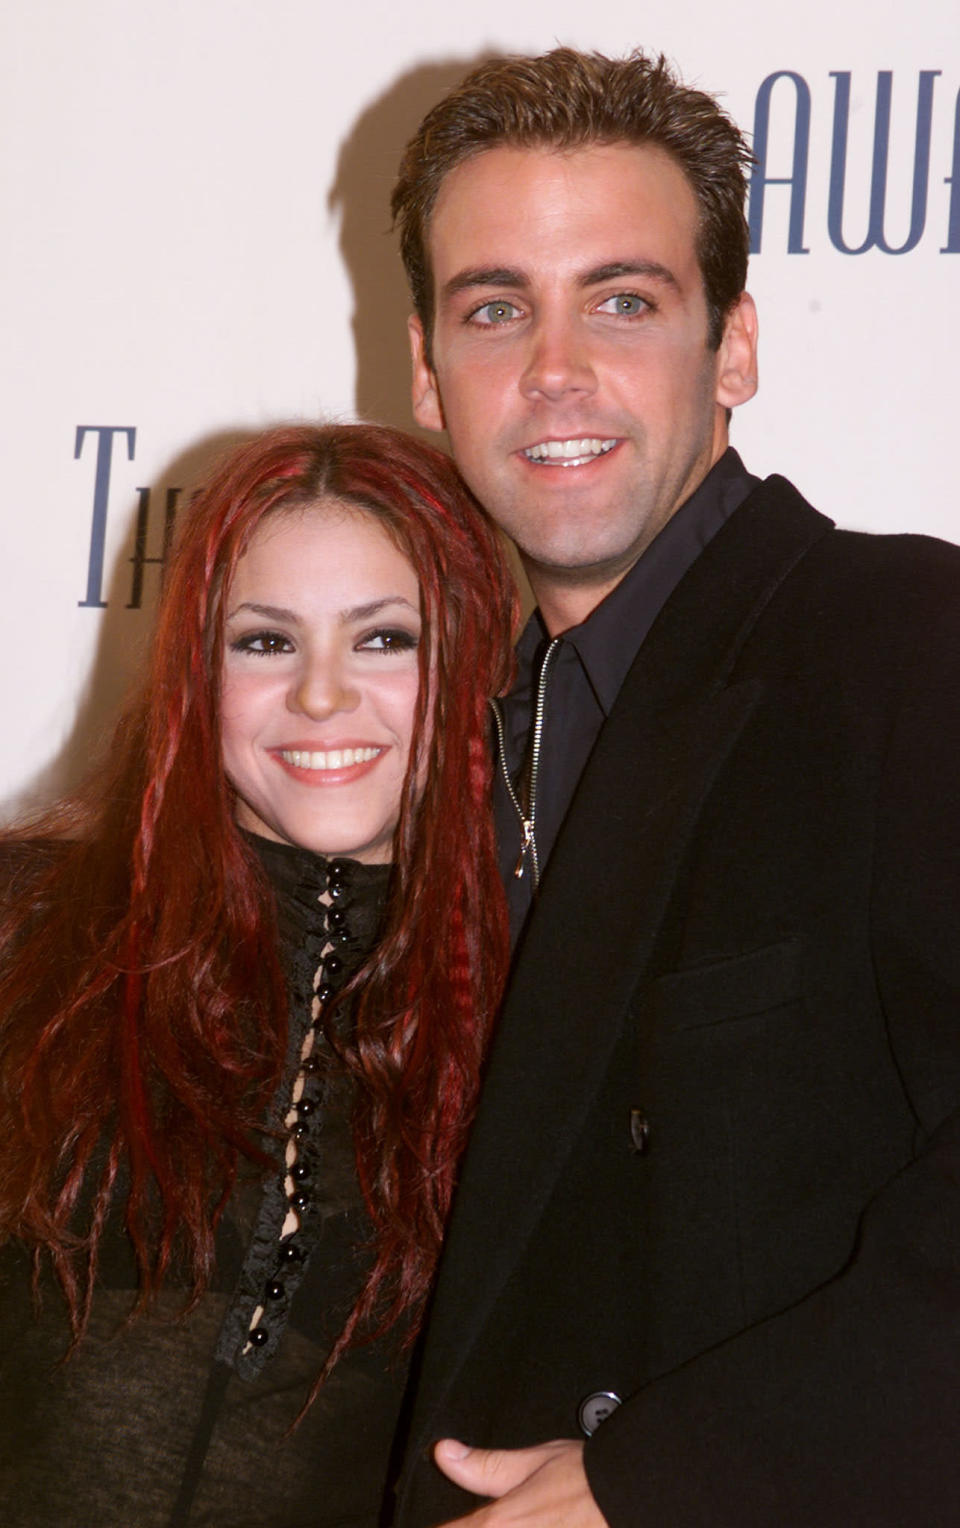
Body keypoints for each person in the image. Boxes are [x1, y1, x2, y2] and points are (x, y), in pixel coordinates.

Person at [386, 48, 960, 1527]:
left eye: (623, 300)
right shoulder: (434, 740)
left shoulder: (905, 645)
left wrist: (666, 1479)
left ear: (736, 346)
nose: (555, 368)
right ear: (422, 366)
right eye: (496, 307)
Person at [0, 423, 516, 1526]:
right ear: (197, 668)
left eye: (385, 640)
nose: (322, 696)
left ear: (475, 658)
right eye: (265, 642)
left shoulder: (544, 1013)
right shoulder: (27, 927)